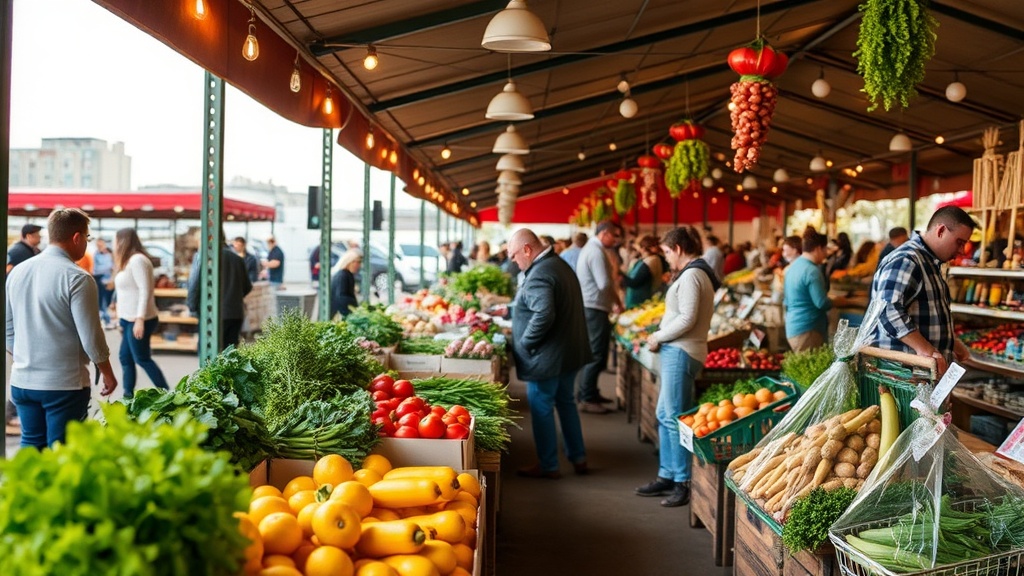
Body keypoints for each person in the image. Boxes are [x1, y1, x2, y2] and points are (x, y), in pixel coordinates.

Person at [5, 209, 117, 448]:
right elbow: (92, 337)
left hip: (23, 382)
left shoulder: (18, 272)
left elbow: (7, 327)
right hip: (63, 384)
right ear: (76, 237)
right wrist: (107, 373)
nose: (86, 244)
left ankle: (24, 487)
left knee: (32, 446)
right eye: (86, 238)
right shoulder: (77, 277)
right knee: (62, 451)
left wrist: (25, 357)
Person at [636, 226, 719, 507]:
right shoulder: (694, 273)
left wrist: (658, 336)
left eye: (668, 252)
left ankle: (683, 480)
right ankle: (668, 474)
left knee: (674, 418)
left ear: (679, 249)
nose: (667, 258)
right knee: (665, 414)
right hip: (678, 350)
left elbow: (688, 319)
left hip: (682, 351)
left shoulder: (694, 274)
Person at [506, 229, 592, 479]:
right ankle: (578, 457)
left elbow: (544, 313)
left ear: (527, 250)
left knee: (541, 407)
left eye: (514, 255)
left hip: (547, 356)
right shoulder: (558, 264)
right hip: (568, 351)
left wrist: (526, 342)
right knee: (566, 403)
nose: (513, 261)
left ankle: (549, 464)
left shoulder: (539, 274)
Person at [870, 206, 976, 375]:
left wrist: (952, 343)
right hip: (904, 376)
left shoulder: (930, 262)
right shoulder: (907, 259)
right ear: (941, 230)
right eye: (960, 242)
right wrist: (926, 350)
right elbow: (888, 310)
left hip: (921, 374)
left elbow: (927, 314)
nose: (962, 251)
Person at [112, 228, 170, 399]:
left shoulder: (138, 260)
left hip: (139, 319)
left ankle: (167, 393)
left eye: (115, 240)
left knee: (142, 358)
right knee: (125, 357)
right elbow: (128, 290)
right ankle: (128, 396)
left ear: (123, 241)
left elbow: (145, 290)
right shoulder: (128, 261)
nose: (114, 244)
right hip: (128, 318)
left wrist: (140, 319)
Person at [575, 220, 625, 414]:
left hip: (592, 307)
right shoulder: (596, 252)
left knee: (595, 352)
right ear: (604, 233)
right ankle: (587, 398)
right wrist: (617, 302)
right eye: (614, 235)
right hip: (595, 308)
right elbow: (604, 284)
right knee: (596, 353)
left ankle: (589, 393)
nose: (616, 239)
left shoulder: (592, 249)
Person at [5, 223, 44, 436]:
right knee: (19, 367)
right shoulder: (19, 251)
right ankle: (10, 414)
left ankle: (13, 413)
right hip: (18, 314)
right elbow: (8, 276)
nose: (39, 237)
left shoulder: (30, 251)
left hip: (22, 315)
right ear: (28, 236)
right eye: (37, 234)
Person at [187, 236, 253, 352]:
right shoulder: (238, 259)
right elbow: (247, 287)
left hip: (213, 314)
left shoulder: (205, 258)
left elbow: (194, 284)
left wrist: (193, 308)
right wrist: (234, 298)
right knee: (230, 355)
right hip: (235, 314)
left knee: (209, 354)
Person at [784, 228, 833, 352]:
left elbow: (786, 301)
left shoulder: (793, 267)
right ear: (818, 249)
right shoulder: (812, 271)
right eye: (825, 249)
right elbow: (821, 302)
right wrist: (838, 301)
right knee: (815, 369)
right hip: (808, 330)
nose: (826, 253)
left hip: (793, 328)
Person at [621, 234, 664, 308]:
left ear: (643, 248)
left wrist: (618, 272)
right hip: (633, 301)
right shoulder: (641, 260)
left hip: (642, 302)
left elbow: (635, 282)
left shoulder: (652, 260)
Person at [330, 249, 362, 318]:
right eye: (358, 262)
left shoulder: (347, 274)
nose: (359, 265)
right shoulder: (342, 275)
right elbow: (342, 297)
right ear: (350, 262)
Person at [92, 238, 115, 329]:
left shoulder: (110, 254)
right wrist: (108, 267)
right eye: (98, 246)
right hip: (100, 281)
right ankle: (106, 320)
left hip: (110, 282)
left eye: (101, 245)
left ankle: (107, 319)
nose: (99, 247)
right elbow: (95, 270)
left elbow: (114, 268)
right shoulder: (96, 255)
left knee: (108, 302)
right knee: (102, 302)